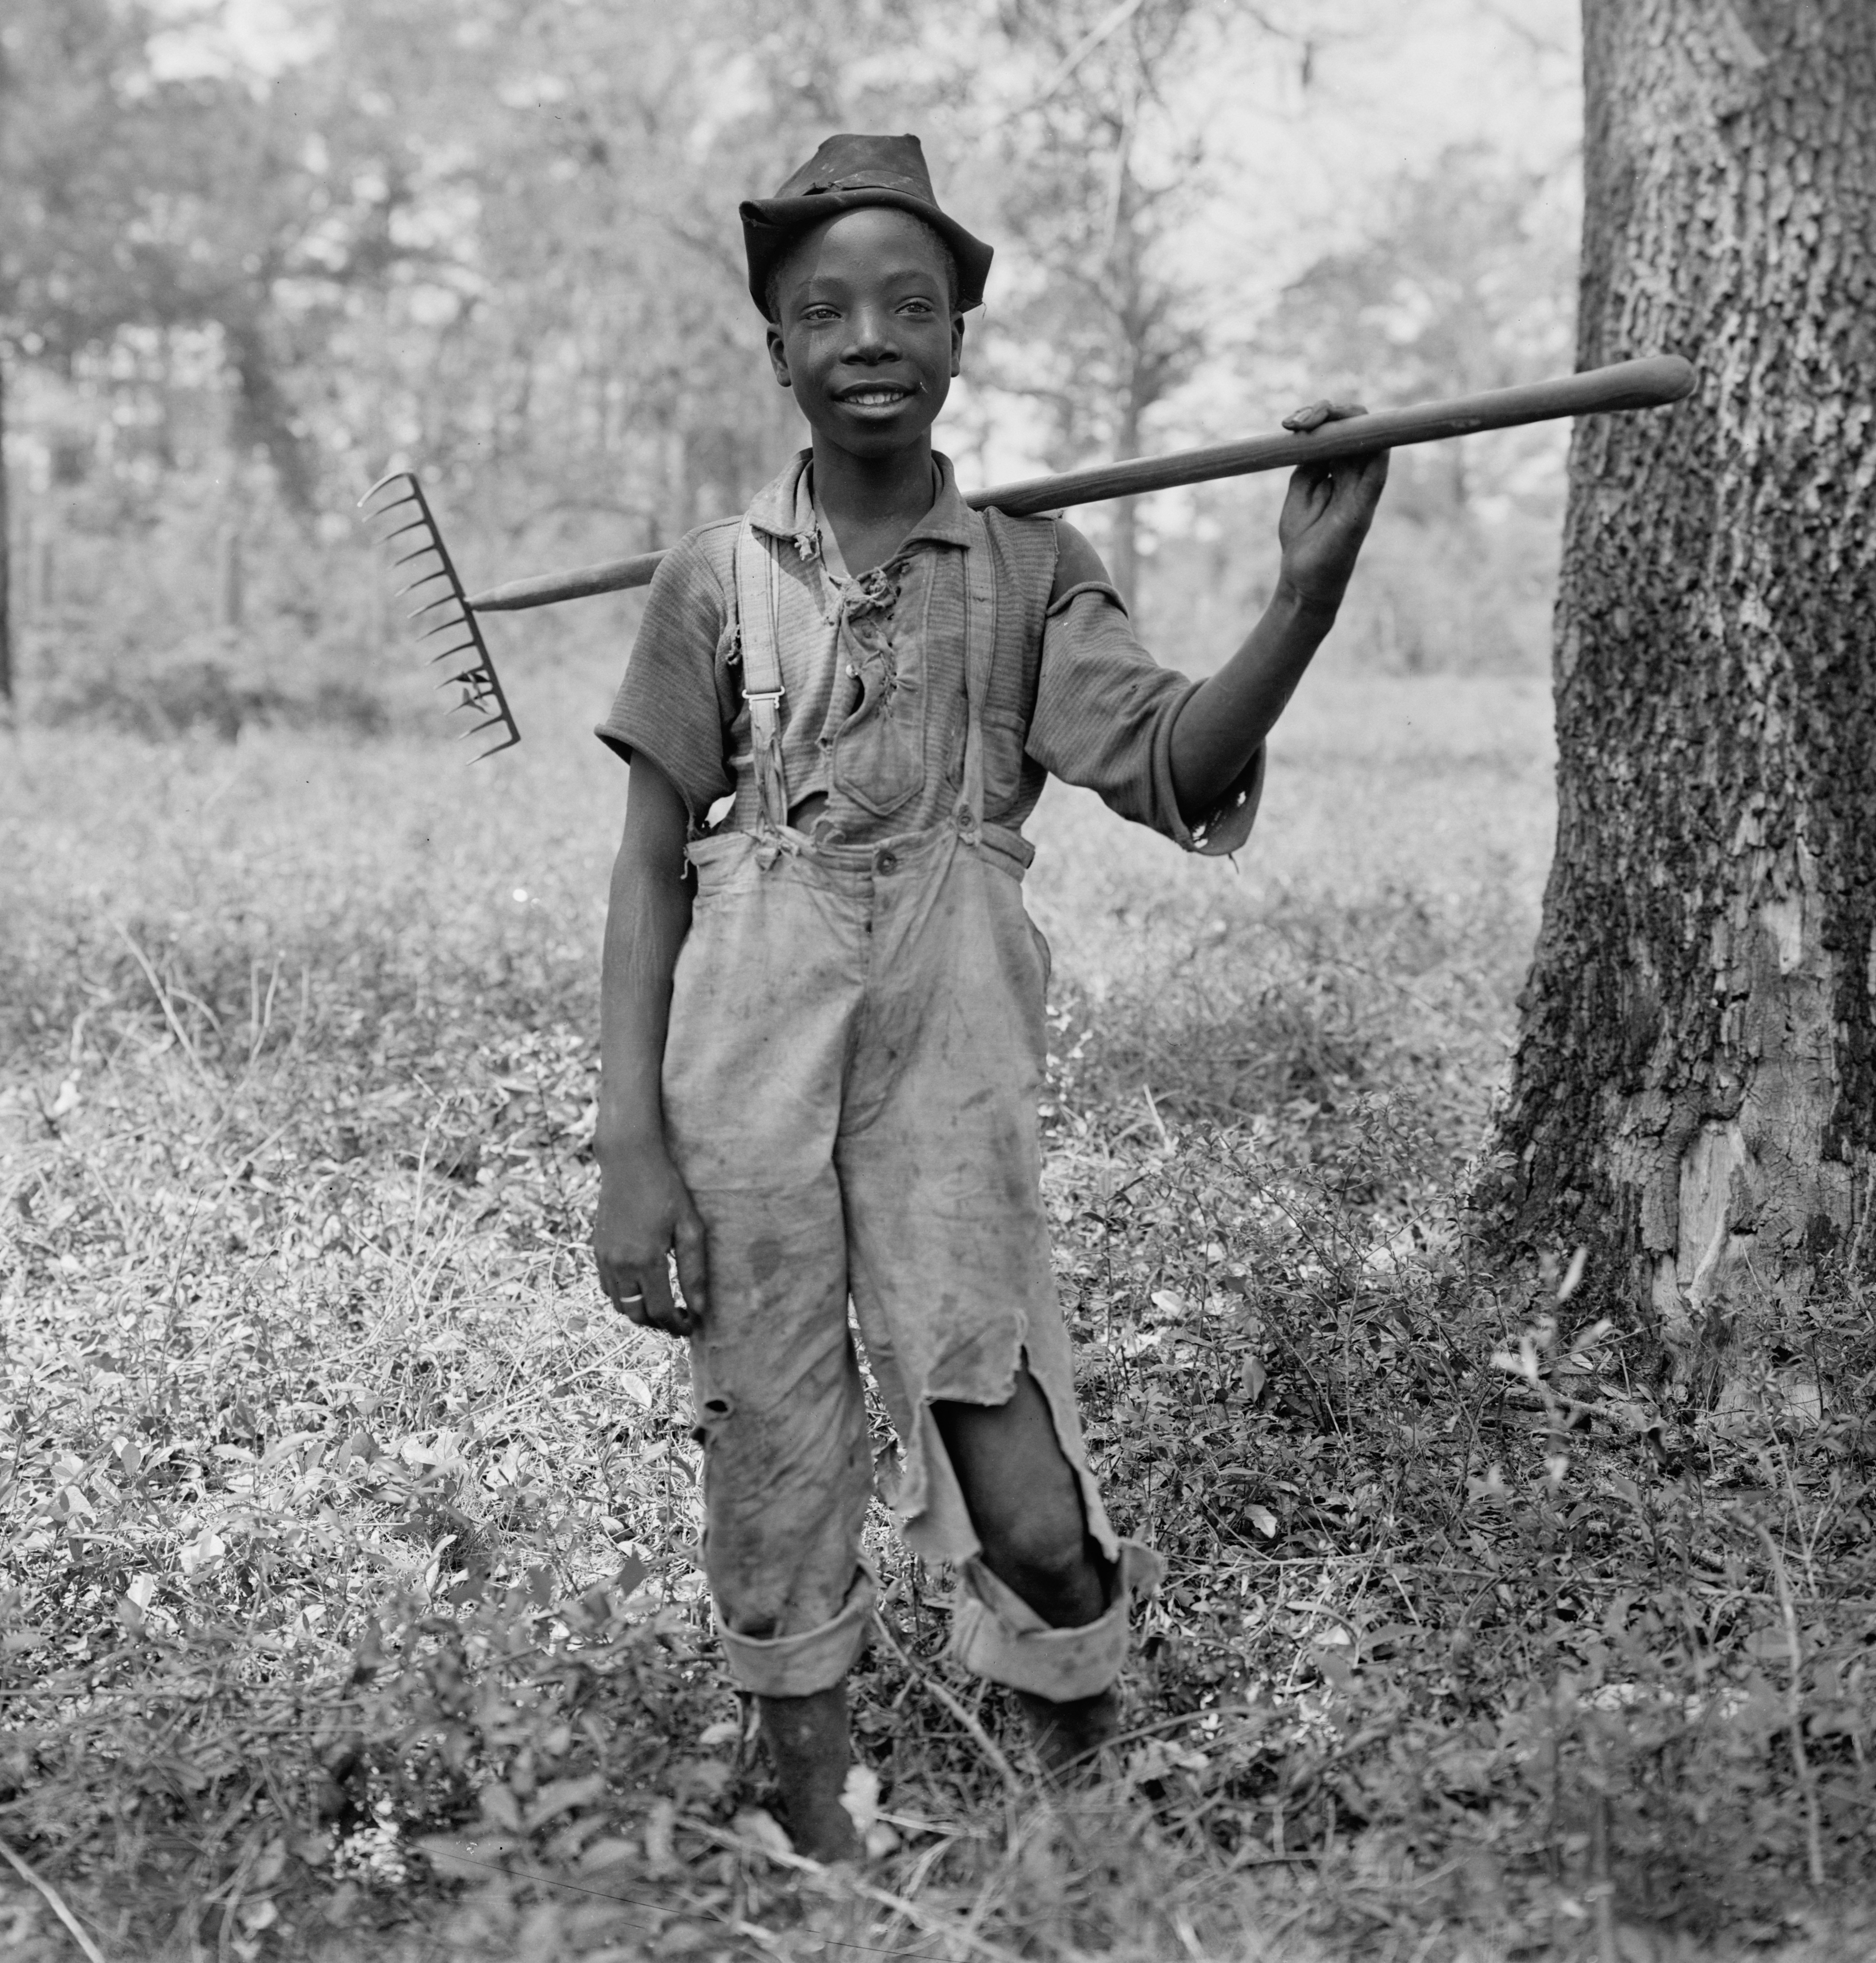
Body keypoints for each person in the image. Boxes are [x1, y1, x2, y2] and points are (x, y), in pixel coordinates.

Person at [590, 132, 1387, 1862]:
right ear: (779, 351)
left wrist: (1303, 595)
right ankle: (817, 1836)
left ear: (961, 338)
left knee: (1022, 1481)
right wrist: (626, 1144)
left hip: (950, 1056)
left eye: (910, 303)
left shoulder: (1034, 570)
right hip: (743, 1060)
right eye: (826, 309)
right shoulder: (709, 582)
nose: (869, 333)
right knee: (775, 1447)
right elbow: (647, 869)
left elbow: (1176, 754)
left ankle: (1083, 1800)